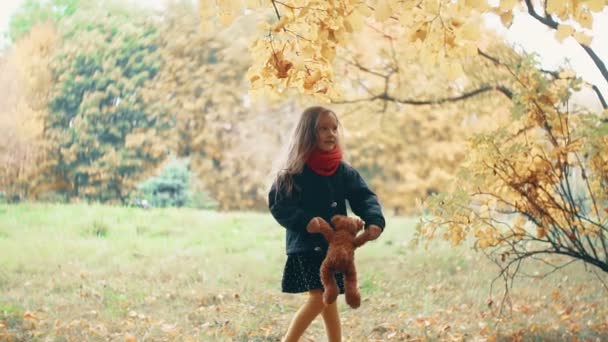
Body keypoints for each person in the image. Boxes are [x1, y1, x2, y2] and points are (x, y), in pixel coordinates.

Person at [268, 106, 386, 342]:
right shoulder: (293, 172)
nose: (331, 133)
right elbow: (279, 205)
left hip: (335, 247)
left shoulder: (342, 170)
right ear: (307, 133)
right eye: (323, 128)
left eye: (333, 128)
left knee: (328, 296)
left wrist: (374, 221)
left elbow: (364, 197)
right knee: (320, 295)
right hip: (306, 246)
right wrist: (305, 221)